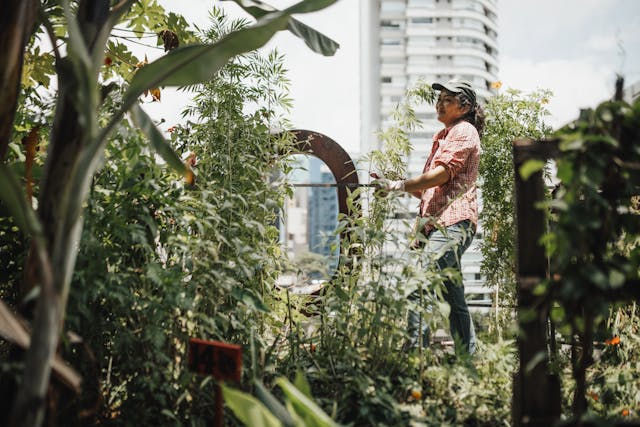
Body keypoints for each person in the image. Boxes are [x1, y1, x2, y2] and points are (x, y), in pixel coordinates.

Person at [372, 80, 484, 355]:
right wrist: (395, 185)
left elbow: (442, 174)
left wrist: (399, 186)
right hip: (440, 225)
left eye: (447, 99)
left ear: (464, 106)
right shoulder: (443, 136)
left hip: (452, 223)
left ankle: (414, 353)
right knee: (453, 296)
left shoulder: (463, 130)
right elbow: (429, 189)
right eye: (439, 98)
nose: (439, 103)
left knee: (419, 284)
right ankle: (467, 360)